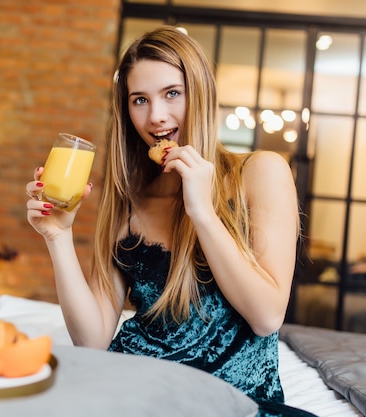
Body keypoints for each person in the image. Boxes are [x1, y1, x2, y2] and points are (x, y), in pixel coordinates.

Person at [26, 26, 313, 417]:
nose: (156, 117)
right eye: (139, 100)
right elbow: (91, 341)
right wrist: (58, 237)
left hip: (232, 401)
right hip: (134, 388)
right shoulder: (128, 199)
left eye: (172, 93)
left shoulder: (261, 172)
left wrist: (202, 212)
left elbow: (266, 317)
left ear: (201, 93)